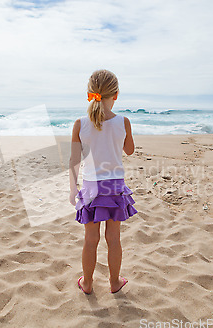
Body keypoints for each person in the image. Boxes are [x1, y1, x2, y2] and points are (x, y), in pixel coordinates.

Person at [69, 69, 138, 295]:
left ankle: (87, 283)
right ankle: (114, 282)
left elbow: (74, 160)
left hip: (91, 187)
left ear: (90, 94)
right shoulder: (123, 122)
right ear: (115, 95)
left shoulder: (80, 124)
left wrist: (73, 189)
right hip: (115, 187)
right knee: (114, 238)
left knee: (90, 240)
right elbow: (129, 151)